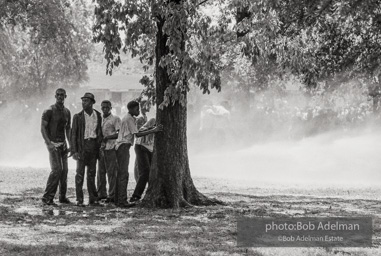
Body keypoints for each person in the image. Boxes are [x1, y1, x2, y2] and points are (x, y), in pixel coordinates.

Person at [114, 101, 163, 207]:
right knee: (124, 174)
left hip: (124, 146)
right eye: (137, 109)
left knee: (123, 173)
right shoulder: (130, 119)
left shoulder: (131, 118)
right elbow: (137, 134)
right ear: (131, 109)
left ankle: (118, 199)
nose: (138, 111)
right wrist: (154, 130)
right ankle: (122, 200)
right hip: (124, 146)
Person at [71, 92, 103, 207]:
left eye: (86, 101)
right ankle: (79, 199)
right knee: (79, 174)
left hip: (93, 146)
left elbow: (99, 132)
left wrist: (99, 147)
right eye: (83, 101)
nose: (83, 103)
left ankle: (93, 199)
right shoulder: (77, 117)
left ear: (92, 103)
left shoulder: (98, 115)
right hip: (82, 147)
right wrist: (74, 151)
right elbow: (73, 134)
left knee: (91, 174)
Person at [41, 88, 71, 206]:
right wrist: (48, 143)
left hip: (63, 144)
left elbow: (68, 129)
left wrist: (71, 145)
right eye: (58, 95)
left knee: (64, 171)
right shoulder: (49, 111)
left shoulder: (67, 112)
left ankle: (62, 197)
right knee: (56, 170)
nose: (60, 97)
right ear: (55, 96)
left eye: (62, 95)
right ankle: (47, 197)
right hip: (53, 144)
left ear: (65, 96)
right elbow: (43, 128)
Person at [97, 100, 121, 203]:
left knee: (111, 173)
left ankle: (112, 195)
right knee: (100, 172)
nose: (105, 109)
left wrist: (107, 137)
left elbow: (119, 134)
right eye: (103, 107)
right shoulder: (99, 119)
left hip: (111, 148)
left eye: (107, 107)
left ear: (111, 107)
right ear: (101, 108)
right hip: (101, 149)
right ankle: (101, 193)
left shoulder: (115, 119)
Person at [130, 117, 156, 202]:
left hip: (150, 148)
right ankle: (136, 196)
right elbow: (138, 133)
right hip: (142, 146)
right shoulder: (153, 120)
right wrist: (154, 129)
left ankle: (152, 192)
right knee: (145, 172)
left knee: (151, 171)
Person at [134, 100, 148, 182]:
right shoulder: (140, 118)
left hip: (144, 142)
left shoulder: (144, 116)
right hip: (140, 142)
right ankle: (138, 179)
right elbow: (138, 131)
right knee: (138, 162)